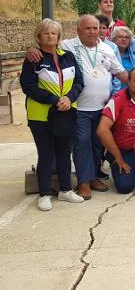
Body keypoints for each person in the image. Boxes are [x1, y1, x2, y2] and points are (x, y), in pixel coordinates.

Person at [37, 15, 128, 200]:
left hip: (102, 109)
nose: (93, 32)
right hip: (79, 108)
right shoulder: (68, 46)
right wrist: (32, 49)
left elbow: (120, 73)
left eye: (96, 28)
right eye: (88, 28)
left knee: (96, 145)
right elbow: (46, 46)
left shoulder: (107, 49)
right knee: (82, 144)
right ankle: (83, 182)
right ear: (78, 30)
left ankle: (93, 176)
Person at [21, 18, 85, 211]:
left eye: (54, 33)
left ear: (59, 37)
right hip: (41, 115)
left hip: (66, 112)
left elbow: (79, 82)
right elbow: (28, 86)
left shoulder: (68, 56)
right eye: (46, 33)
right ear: (39, 36)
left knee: (64, 153)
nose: (51, 36)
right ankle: (44, 193)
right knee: (47, 153)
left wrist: (69, 97)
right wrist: (53, 100)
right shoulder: (33, 58)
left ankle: (65, 190)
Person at [110, 26, 133, 93]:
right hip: (110, 94)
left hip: (128, 94)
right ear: (114, 39)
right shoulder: (109, 54)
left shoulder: (132, 57)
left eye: (126, 37)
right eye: (120, 37)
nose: (124, 39)